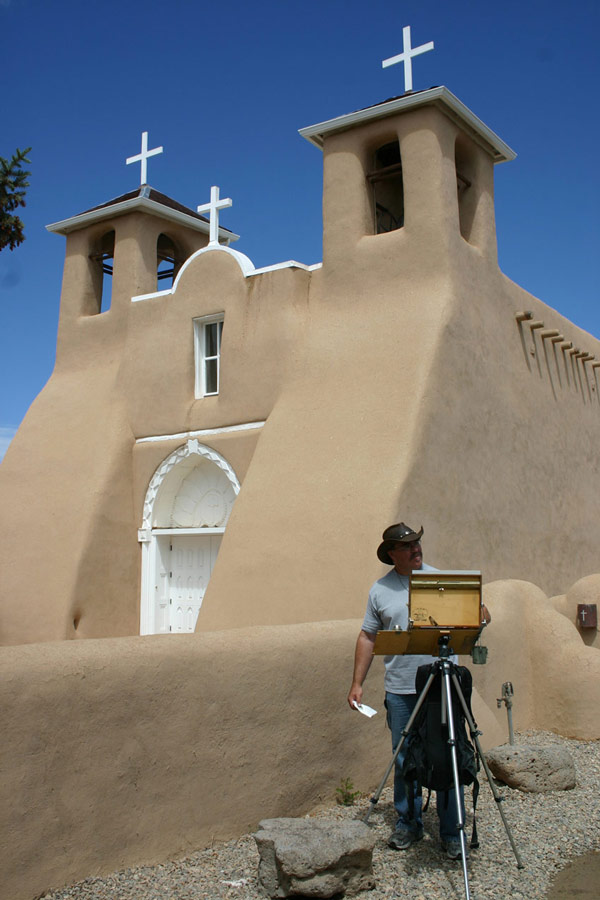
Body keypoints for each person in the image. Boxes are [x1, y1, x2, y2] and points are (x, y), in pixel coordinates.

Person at [347, 521, 490, 860]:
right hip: (400, 690)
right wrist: (356, 682)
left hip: (442, 685)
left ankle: (452, 830)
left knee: (449, 752)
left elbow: (478, 618)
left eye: (417, 543)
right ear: (392, 553)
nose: (415, 549)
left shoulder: (441, 581)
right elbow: (368, 637)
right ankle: (408, 822)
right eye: (408, 546)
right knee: (405, 756)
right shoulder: (380, 590)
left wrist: (480, 613)